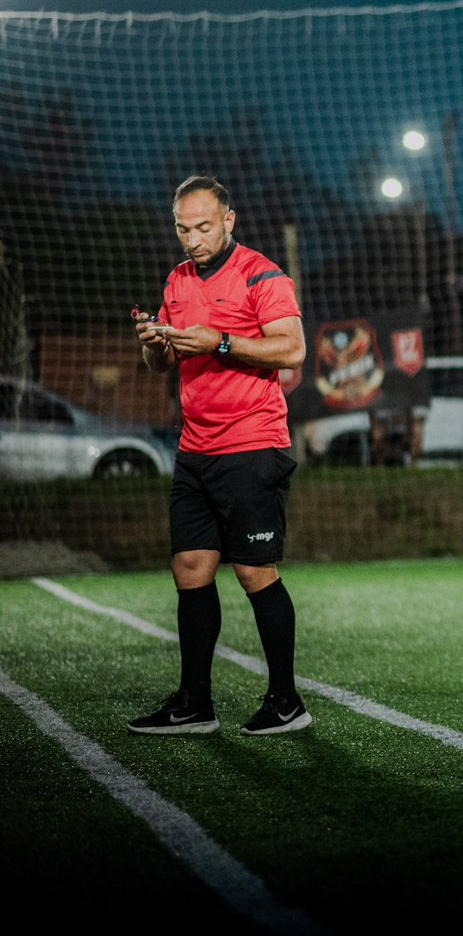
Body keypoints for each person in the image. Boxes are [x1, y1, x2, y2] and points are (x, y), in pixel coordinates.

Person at [127, 175, 310, 736]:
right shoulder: (177, 280)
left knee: (254, 570)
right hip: (195, 448)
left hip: (252, 445)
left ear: (228, 220)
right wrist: (154, 344)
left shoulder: (263, 274)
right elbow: (162, 365)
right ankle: (194, 704)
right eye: (183, 229)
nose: (193, 239)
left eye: (203, 227)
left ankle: (286, 701)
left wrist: (221, 342)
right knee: (189, 568)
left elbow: (292, 350)